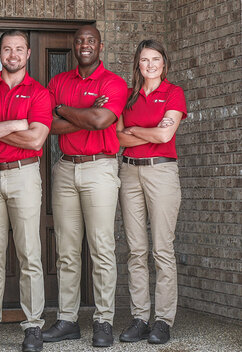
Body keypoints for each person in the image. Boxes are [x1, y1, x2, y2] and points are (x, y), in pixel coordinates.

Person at [42, 24, 127, 348]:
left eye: (90, 40)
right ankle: (67, 319)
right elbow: (47, 124)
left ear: (100, 46)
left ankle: (103, 320)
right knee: (66, 250)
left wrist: (62, 110)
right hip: (65, 169)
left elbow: (101, 121)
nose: (84, 45)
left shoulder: (113, 82)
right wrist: (84, 113)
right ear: (74, 47)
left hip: (100, 167)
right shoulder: (59, 81)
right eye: (79, 41)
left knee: (102, 248)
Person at [0, 30, 52, 352]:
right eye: (7, 49)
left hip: (24, 176)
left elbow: (36, 140)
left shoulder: (39, 93)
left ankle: (33, 325)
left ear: (28, 54)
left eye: (19, 49)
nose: (13, 54)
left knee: (29, 253)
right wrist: (17, 124)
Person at [117, 39, 187, 345]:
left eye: (155, 59)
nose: (150, 65)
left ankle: (163, 320)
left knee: (161, 249)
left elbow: (165, 133)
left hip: (161, 171)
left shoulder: (173, 93)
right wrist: (142, 134)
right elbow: (119, 138)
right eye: (144, 60)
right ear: (138, 65)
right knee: (136, 250)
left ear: (164, 63)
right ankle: (140, 318)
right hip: (129, 171)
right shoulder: (129, 98)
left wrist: (137, 132)